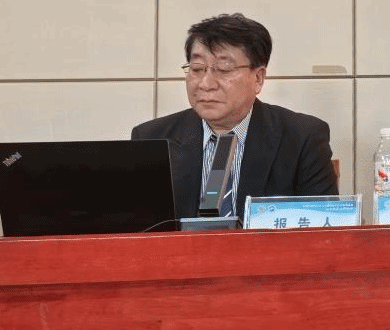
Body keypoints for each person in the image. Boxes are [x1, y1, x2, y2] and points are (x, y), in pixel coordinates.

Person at [132, 13, 338, 221]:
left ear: (258, 78)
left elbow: (323, 229)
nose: (206, 84)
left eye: (223, 69)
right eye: (197, 69)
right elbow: (137, 230)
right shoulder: (151, 139)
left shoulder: (302, 138)